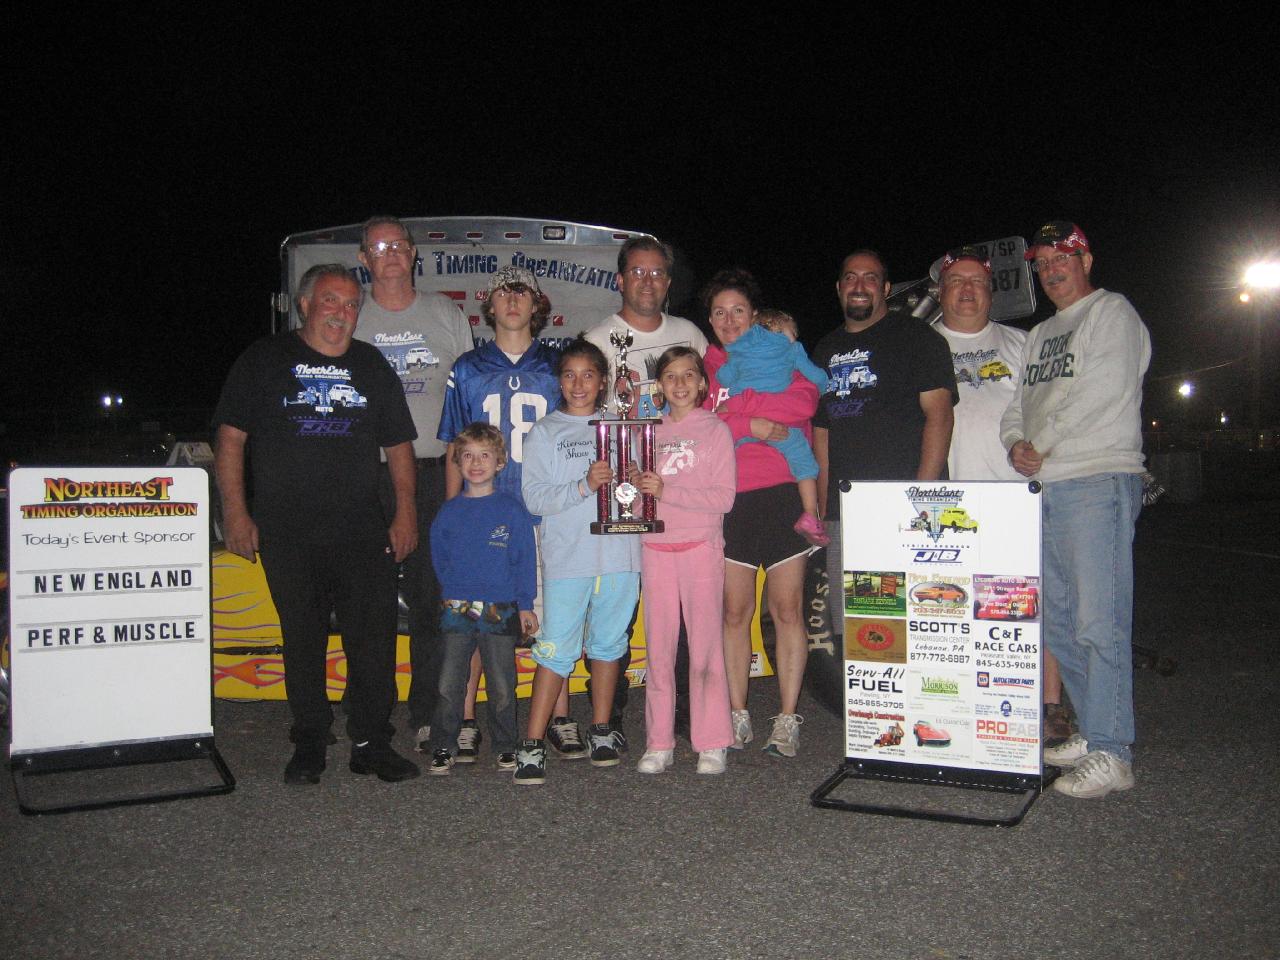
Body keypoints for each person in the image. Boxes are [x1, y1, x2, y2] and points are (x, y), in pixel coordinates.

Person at [213, 264, 420, 785]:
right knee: (301, 638)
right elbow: (231, 440)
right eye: (330, 300)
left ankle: (371, 742)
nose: (341, 313)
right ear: (305, 305)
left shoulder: (370, 364)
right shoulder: (264, 359)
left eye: (351, 304)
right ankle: (309, 740)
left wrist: (406, 511)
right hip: (287, 530)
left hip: (361, 529)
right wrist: (235, 513)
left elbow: (399, 445)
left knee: (372, 641)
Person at [1000, 221, 1151, 799]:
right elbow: (1018, 404)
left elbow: (1101, 391)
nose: (1050, 270)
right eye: (1041, 264)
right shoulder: (1041, 333)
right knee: (1058, 623)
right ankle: (1096, 731)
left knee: (1098, 621)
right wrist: (1016, 443)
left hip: (1096, 479)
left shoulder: (1112, 313)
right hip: (1045, 486)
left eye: (1061, 258)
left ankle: (1114, 752)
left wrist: (1041, 442)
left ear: (1086, 260)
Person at [437, 266, 586, 759]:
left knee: (551, 620)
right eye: (504, 292)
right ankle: (466, 719)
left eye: (523, 293)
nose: (514, 300)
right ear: (489, 304)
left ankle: (559, 715)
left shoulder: (557, 365)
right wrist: (454, 511)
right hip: (484, 514)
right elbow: (454, 446)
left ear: (538, 304)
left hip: (546, 512)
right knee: (474, 619)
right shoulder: (467, 367)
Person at [929, 245, 1071, 743]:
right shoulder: (920, 344)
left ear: (992, 293)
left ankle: (1049, 705)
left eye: (977, 282)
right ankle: (969, 707)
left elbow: (1055, 407)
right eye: (956, 281)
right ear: (941, 293)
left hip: (1016, 497)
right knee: (953, 611)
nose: (967, 290)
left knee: (1030, 606)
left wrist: (1041, 448)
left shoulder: (1023, 343)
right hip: (945, 504)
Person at [354, 215, 475, 755]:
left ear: (413, 253)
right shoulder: (351, 313)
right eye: (379, 247)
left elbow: (467, 402)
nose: (391, 254)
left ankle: (427, 711)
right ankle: (368, 711)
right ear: (364, 259)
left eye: (399, 245)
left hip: (434, 474)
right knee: (369, 601)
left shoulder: (445, 313)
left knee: (431, 600)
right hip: (367, 476)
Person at [812, 250, 957, 648]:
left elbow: (940, 417)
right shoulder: (825, 349)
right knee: (861, 628)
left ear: (886, 288)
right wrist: (824, 511)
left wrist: (922, 499)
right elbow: (821, 432)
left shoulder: (918, 338)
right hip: (848, 513)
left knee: (916, 623)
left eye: (870, 278)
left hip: (905, 510)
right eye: (851, 277)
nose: (859, 286)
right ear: (839, 288)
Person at [703, 269, 818, 758]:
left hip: (785, 494)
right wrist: (750, 422)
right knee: (734, 612)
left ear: (754, 317)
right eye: (719, 312)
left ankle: (787, 718)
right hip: (730, 499)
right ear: (710, 320)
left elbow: (805, 402)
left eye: (738, 311)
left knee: (787, 610)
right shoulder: (709, 365)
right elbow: (700, 423)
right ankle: (736, 712)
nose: (729, 321)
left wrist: (740, 413)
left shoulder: (778, 350)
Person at [516, 338, 641, 784]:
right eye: (569, 375)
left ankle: (601, 729)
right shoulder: (545, 432)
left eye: (588, 375)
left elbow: (637, 492)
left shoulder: (622, 427)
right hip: (568, 558)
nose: (579, 384)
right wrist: (584, 486)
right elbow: (534, 498)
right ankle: (532, 743)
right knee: (556, 649)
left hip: (621, 555)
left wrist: (635, 482)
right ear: (559, 381)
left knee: (609, 644)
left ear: (603, 381)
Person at [634, 347, 737, 774]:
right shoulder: (646, 433)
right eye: (671, 376)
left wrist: (667, 491)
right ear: (659, 385)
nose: (679, 384)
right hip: (656, 548)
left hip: (700, 547)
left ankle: (712, 740)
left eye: (688, 375)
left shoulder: (715, 430)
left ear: (702, 383)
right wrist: (634, 497)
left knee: (705, 648)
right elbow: (636, 496)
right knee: (658, 651)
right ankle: (659, 742)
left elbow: (724, 498)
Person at [426, 423, 537, 775]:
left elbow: (524, 559)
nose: (476, 463)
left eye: (484, 455)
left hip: (500, 606)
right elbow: (440, 558)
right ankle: (443, 745)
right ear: (457, 462)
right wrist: (453, 591)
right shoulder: (449, 512)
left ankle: (505, 745)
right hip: (458, 606)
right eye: (468, 456)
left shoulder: (512, 510)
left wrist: (525, 605)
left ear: (500, 462)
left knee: (502, 683)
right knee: (449, 682)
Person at [715, 308, 829, 545]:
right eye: (793, 334)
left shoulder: (739, 348)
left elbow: (724, 377)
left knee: (724, 451)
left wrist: (739, 397)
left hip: (739, 412)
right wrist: (822, 386)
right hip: (781, 428)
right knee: (804, 460)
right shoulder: (791, 349)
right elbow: (817, 377)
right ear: (785, 333)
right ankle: (810, 515)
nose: (795, 338)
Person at [585, 236, 707, 418]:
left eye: (657, 273)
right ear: (621, 281)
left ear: (667, 284)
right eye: (638, 272)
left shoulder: (690, 334)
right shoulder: (594, 342)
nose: (648, 281)